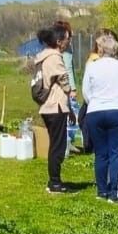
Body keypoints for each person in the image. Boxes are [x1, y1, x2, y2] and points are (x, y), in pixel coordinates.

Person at [81, 32, 118, 204]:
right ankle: (116, 192)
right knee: (116, 153)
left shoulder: (92, 66)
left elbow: (85, 92)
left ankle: (101, 190)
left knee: (100, 153)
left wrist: (95, 101)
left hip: (95, 111)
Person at [33, 26, 73, 194]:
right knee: (58, 146)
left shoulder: (43, 56)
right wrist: (69, 90)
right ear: (59, 42)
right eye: (66, 39)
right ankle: (55, 182)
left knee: (55, 145)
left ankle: (54, 180)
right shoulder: (54, 57)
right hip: (55, 106)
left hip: (47, 106)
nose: (68, 42)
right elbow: (63, 76)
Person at [53, 19, 80, 155]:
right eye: (69, 35)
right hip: (66, 87)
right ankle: (67, 143)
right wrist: (72, 89)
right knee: (72, 114)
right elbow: (68, 69)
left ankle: (68, 142)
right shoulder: (67, 50)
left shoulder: (52, 48)